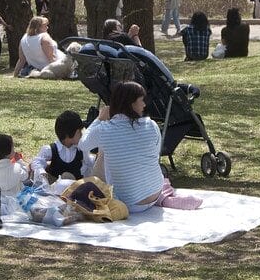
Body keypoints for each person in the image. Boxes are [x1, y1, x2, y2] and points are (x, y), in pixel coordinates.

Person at [79, 81, 201, 212]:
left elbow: (82, 145)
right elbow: (154, 155)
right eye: (141, 100)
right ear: (130, 103)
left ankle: (163, 198)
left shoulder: (104, 130)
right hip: (155, 192)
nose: (144, 104)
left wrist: (99, 119)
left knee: (104, 150)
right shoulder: (151, 125)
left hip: (129, 204)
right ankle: (165, 198)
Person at [31, 110, 95, 186]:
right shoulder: (51, 150)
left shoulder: (81, 150)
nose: (81, 135)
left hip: (74, 192)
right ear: (68, 135)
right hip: (54, 191)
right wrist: (42, 174)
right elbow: (37, 162)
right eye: (79, 132)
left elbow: (90, 163)